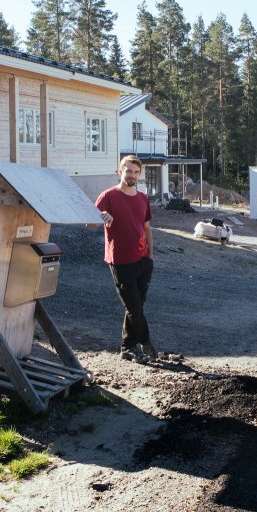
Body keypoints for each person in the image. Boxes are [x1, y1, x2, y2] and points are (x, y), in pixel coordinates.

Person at [96, 155, 159, 362]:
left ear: (139, 175)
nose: (132, 175)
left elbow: (147, 227)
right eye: (128, 171)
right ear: (120, 171)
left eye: (135, 172)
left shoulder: (142, 198)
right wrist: (101, 216)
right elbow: (89, 222)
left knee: (136, 305)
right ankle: (146, 342)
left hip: (143, 259)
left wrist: (150, 255)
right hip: (120, 260)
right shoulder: (108, 196)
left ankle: (127, 347)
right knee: (134, 306)